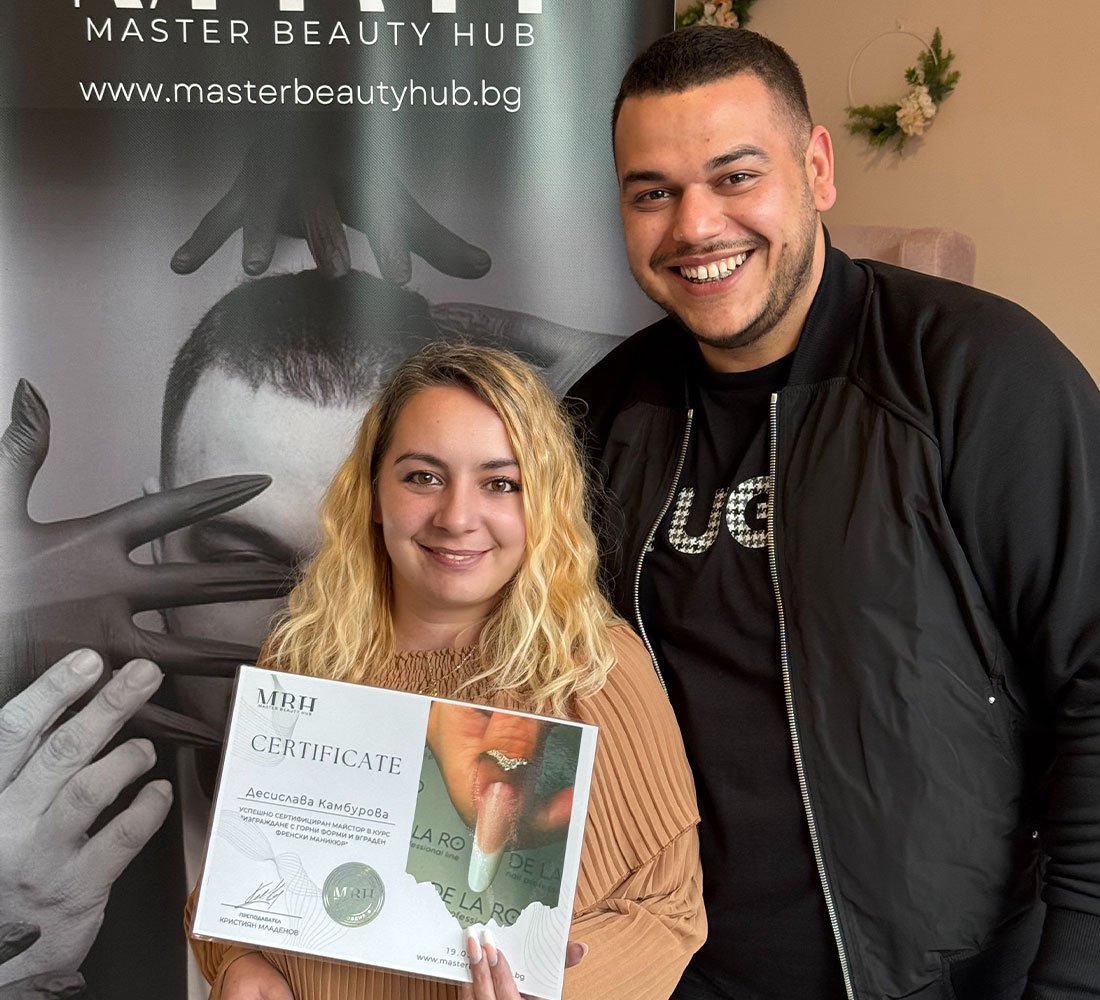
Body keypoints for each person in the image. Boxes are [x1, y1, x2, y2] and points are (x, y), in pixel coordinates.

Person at [568, 24, 1100, 1000]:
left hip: (942, 979)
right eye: (652, 193)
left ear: (815, 169)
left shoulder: (979, 373)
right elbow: (522, 688)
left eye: (735, 177)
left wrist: (1074, 977)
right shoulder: (599, 416)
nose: (694, 225)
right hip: (669, 974)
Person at [187, 342, 706, 1000]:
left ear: (542, 502)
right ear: (374, 493)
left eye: (500, 483)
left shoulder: (592, 668)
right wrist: (236, 960)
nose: (457, 517)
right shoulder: (303, 658)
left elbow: (667, 912)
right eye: (423, 477)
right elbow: (236, 875)